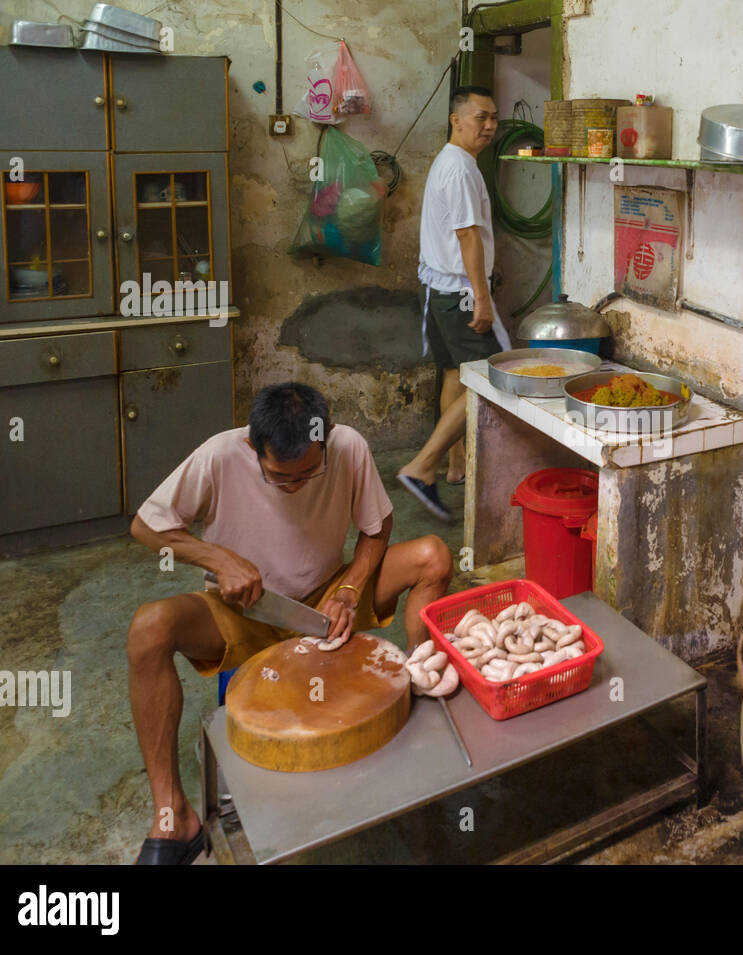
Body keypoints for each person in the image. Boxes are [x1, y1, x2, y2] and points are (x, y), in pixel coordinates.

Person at [125, 382, 453, 865]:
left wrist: (350, 588)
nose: (296, 486)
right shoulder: (219, 455)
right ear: (252, 447)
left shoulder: (349, 447)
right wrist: (217, 559)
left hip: (326, 604)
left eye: (308, 473)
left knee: (433, 556)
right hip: (247, 610)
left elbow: (376, 526)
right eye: (281, 478)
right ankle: (174, 817)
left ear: (328, 437)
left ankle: (419, 702)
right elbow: (146, 526)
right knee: (148, 628)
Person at [397, 84, 509, 521]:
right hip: (460, 294)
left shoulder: (449, 162)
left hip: (438, 291)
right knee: (489, 380)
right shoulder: (460, 169)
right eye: (480, 117)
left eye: (493, 118)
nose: (490, 126)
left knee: (454, 375)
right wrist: (482, 298)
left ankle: (457, 464)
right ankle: (422, 467)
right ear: (455, 119)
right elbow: (466, 236)